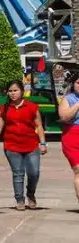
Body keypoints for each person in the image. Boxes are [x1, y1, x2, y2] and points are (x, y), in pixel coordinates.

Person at [0, 79, 47, 210]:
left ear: (22, 91)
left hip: (31, 145)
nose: (12, 93)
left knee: (34, 173)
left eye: (15, 90)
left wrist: (42, 143)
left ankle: (30, 194)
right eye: (10, 91)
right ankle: (19, 199)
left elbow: (39, 126)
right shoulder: (4, 108)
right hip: (12, 146)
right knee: (18, 173)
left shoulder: (32, 107)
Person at [57, 74, 79, 207]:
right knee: (78, 170)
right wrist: (77, 105)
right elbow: (64, 117)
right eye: (78, 83)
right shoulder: (68, 99)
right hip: (72, 136)